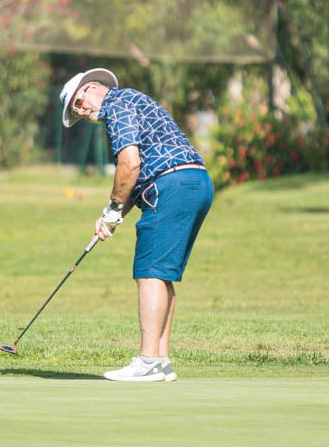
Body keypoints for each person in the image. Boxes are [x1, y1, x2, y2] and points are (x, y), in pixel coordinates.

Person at [59, 67, 213, 382]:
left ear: (92, 87)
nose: (81, 112)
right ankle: (160, 360)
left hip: (170, 185)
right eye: (75, 111)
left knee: (150, 273)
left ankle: (147, 361)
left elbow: (130, 164)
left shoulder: (116, 105)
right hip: (195, 182)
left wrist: (114, 209)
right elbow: (136, 177)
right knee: (163, 274)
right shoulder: (133, 101)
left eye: (78, 102)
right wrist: (111, 216)